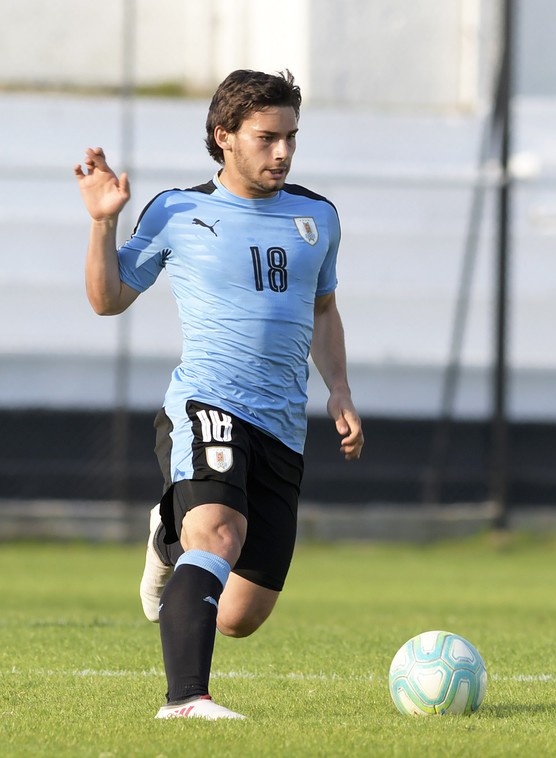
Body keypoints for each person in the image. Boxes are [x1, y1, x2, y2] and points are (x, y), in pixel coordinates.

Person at [74, 69, 364, 720]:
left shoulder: (317, 216)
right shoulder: (178, 211)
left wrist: (339, 389)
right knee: (220, 532)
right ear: (223, 136)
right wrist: (101, 226)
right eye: (267, 138)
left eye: (292, 137)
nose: (283, 152)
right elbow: (107, 300)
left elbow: (324, 311)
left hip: (282, 428)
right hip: (209, 405)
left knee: (239, 615)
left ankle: (168, 538)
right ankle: (186, 701)